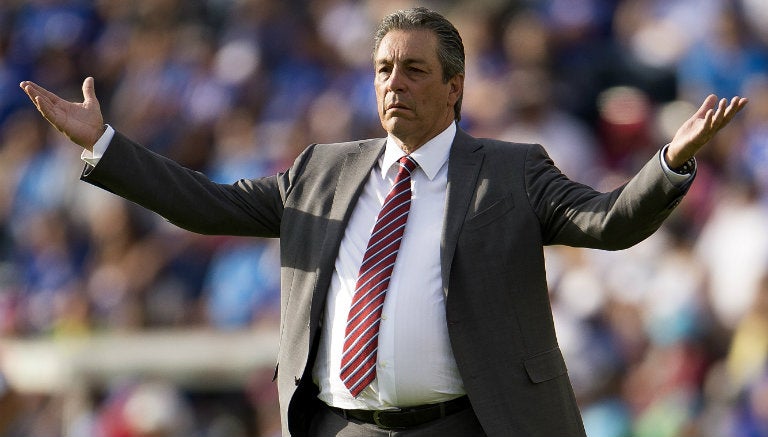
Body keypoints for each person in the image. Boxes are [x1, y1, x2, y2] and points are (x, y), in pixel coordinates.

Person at [20, 7, 747, 437]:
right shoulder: (322, 170)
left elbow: (610, 222)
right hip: (344, 427)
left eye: (414, 70)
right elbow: (202, 204)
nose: (394, 83)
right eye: (383, 69)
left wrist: (670, 162)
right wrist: (104, 144)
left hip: (465, 426)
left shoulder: (510, 171)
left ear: (455, 87)